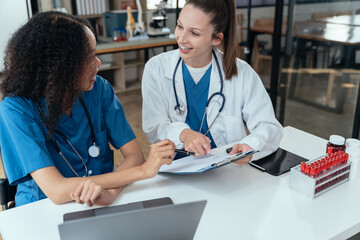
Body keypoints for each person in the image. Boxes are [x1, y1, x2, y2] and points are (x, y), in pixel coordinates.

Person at [0, 11, 175, 208]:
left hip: (100, 203)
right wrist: (143, 172)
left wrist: (110, 193)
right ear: (58, 66)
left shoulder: (99, 89)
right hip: (43, 208)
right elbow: (56, 190)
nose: (98, 63)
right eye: (89, 57)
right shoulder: (15, 110)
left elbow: (134, 155)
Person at [142, 0, 283, 163]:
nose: (181, 39)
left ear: (216, 38)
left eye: (194, 33)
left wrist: (249, 146)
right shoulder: (156, 68)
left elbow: (269, 126)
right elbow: (154, 128)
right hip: (174, 166)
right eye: (180, 26)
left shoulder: (242, 73)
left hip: (226, 168)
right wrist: (184, 134)